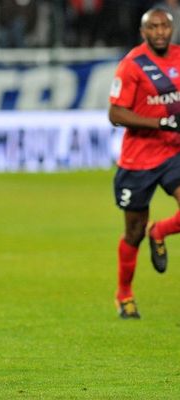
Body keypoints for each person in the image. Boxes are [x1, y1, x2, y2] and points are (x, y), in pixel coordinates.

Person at [108, 7, 180, 319]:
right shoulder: (131, 65)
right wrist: (162, 122)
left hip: (173, 153)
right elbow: (116, 114)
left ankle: (160, 231)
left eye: (165, 26)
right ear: (143, 32)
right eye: (154, 27)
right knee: (133, 232)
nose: (161, 32)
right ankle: (124, 294)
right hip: (138, 160)